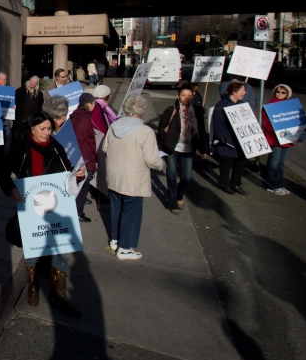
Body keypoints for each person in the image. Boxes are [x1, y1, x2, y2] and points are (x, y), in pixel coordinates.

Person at [0, 111, 84, 314]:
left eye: (49, 129)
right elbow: (3, 171)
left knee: (60, 250)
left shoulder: (56, 147)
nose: (46, 133)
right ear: (33, 128)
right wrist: (11, 189)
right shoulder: (22, 147)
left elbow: (68, 172)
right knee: (33, 250)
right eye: (42, 128)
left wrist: (78, 175)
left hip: (55, 206)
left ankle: (59, 296)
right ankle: (33, 287)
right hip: (31, 207)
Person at [103, 95, 165, 260]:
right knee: (131, 213)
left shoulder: (114, 126)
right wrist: (161, 164)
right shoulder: (146, 131)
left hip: (114, 175)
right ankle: (125, 248)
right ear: (142, 110)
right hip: (134, 178)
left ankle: (115, 240)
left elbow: (105, 148)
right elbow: (151, 159)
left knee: (116, 209)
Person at [157, 84, 208, 214]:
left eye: (189, 95)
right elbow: (161, 127)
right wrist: (163, 141)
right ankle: (172, 202)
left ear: (193, 96)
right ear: (178, 96)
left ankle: (179, 194)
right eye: (183, 95)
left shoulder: (197, 111)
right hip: (172, 148)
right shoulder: (171, 110)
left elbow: (201, 131)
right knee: (171, 175)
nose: (186, 97)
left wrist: (203, 149)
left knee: (187, 178)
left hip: (188, 149)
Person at [211, 81, 250, 195]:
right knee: (226, 163)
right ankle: (224, 184)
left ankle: (236, 183)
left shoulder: (242, 105)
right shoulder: (222, 105)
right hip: (227, 140)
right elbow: (217, 122)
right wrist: (221, 136)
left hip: (240, 140)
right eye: (242, 90)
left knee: (242, 162)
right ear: (234, 91)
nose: (244, 92)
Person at [261, 84, 295, 195]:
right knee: (274, 162)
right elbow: (267, 123)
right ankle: (271, 184)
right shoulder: (269, 105)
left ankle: (278, 183)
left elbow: (293, 121)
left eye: (283, 92)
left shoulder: (289, 106)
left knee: (281, 162)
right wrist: (279, 133)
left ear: (287, 94)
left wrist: (294, 134)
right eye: (278, 91)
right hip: (275, 138)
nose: (280, 94)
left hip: (285, 139)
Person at [69, 93, 98, 222]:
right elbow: (78, 140)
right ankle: (77, 212)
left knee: (79, 185)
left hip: (82, 157)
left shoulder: (77, 115)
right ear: (87, 104)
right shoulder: (83, 120)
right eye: (93, 103)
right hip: (83, 158)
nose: (94, 105)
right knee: (82, 187)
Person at [13, 75, 43, 145]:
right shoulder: (20, 91)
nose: (32, 83)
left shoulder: (39, 94)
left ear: (37, 84)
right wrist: (14, 106)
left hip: (30, 122)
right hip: (19, 120)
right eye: (31, 81)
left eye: (34, 82)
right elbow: (13, 101)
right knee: (15, 140)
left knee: (28, 141)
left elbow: (40, 108)